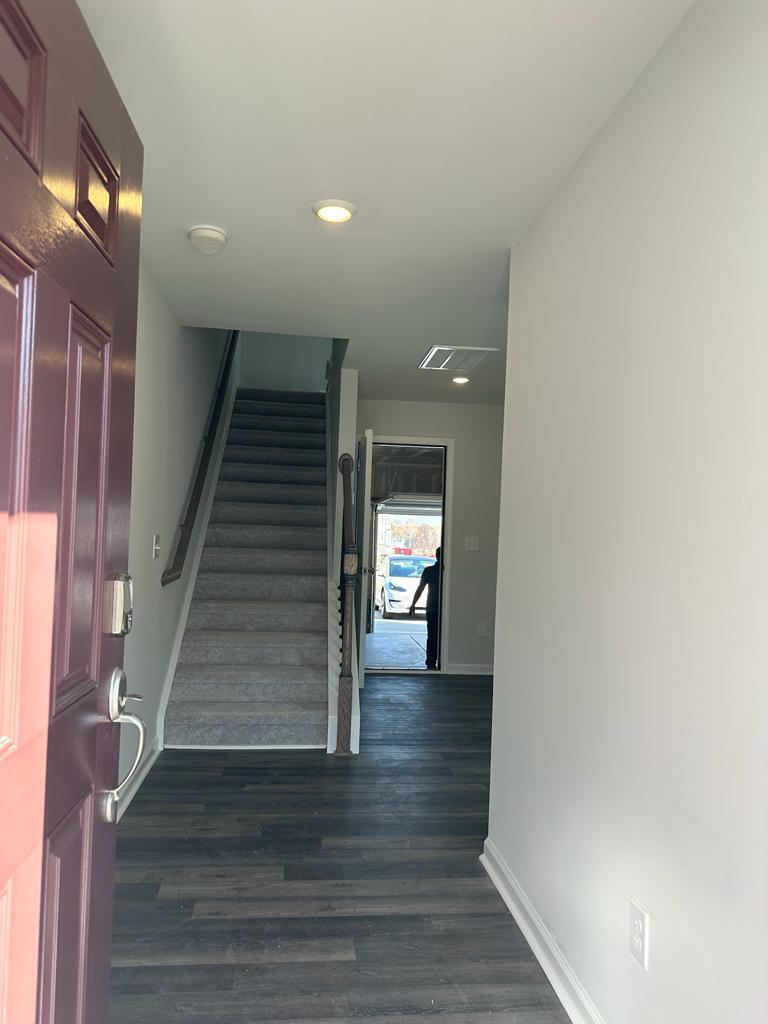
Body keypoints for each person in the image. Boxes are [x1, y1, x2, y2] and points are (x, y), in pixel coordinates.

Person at [409, 547, 441, 670]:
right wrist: (413, 604)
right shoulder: (445, 571)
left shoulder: (429, 571)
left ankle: (431, 662)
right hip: (440, 609)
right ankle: (436, 660)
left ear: (436, 556)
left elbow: (420, 588)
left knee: (432, 636)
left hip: (432, 608)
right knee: (439, 635)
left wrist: (413, 605)